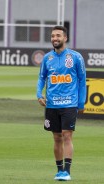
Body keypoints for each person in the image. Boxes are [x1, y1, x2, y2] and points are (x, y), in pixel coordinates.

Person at [36, 26, 86, 181]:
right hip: (51, 104)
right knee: (56, 137)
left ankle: (67, 171)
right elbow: (41, 77)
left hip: (69, 103)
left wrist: (81, 102)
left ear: (65, 38)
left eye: (58, 35)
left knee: (67, 135)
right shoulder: (47, 58)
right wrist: (39, 94)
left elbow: (82, 80)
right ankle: (59, 171)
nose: (54, 38)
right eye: (52, 36)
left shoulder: (76, 57)